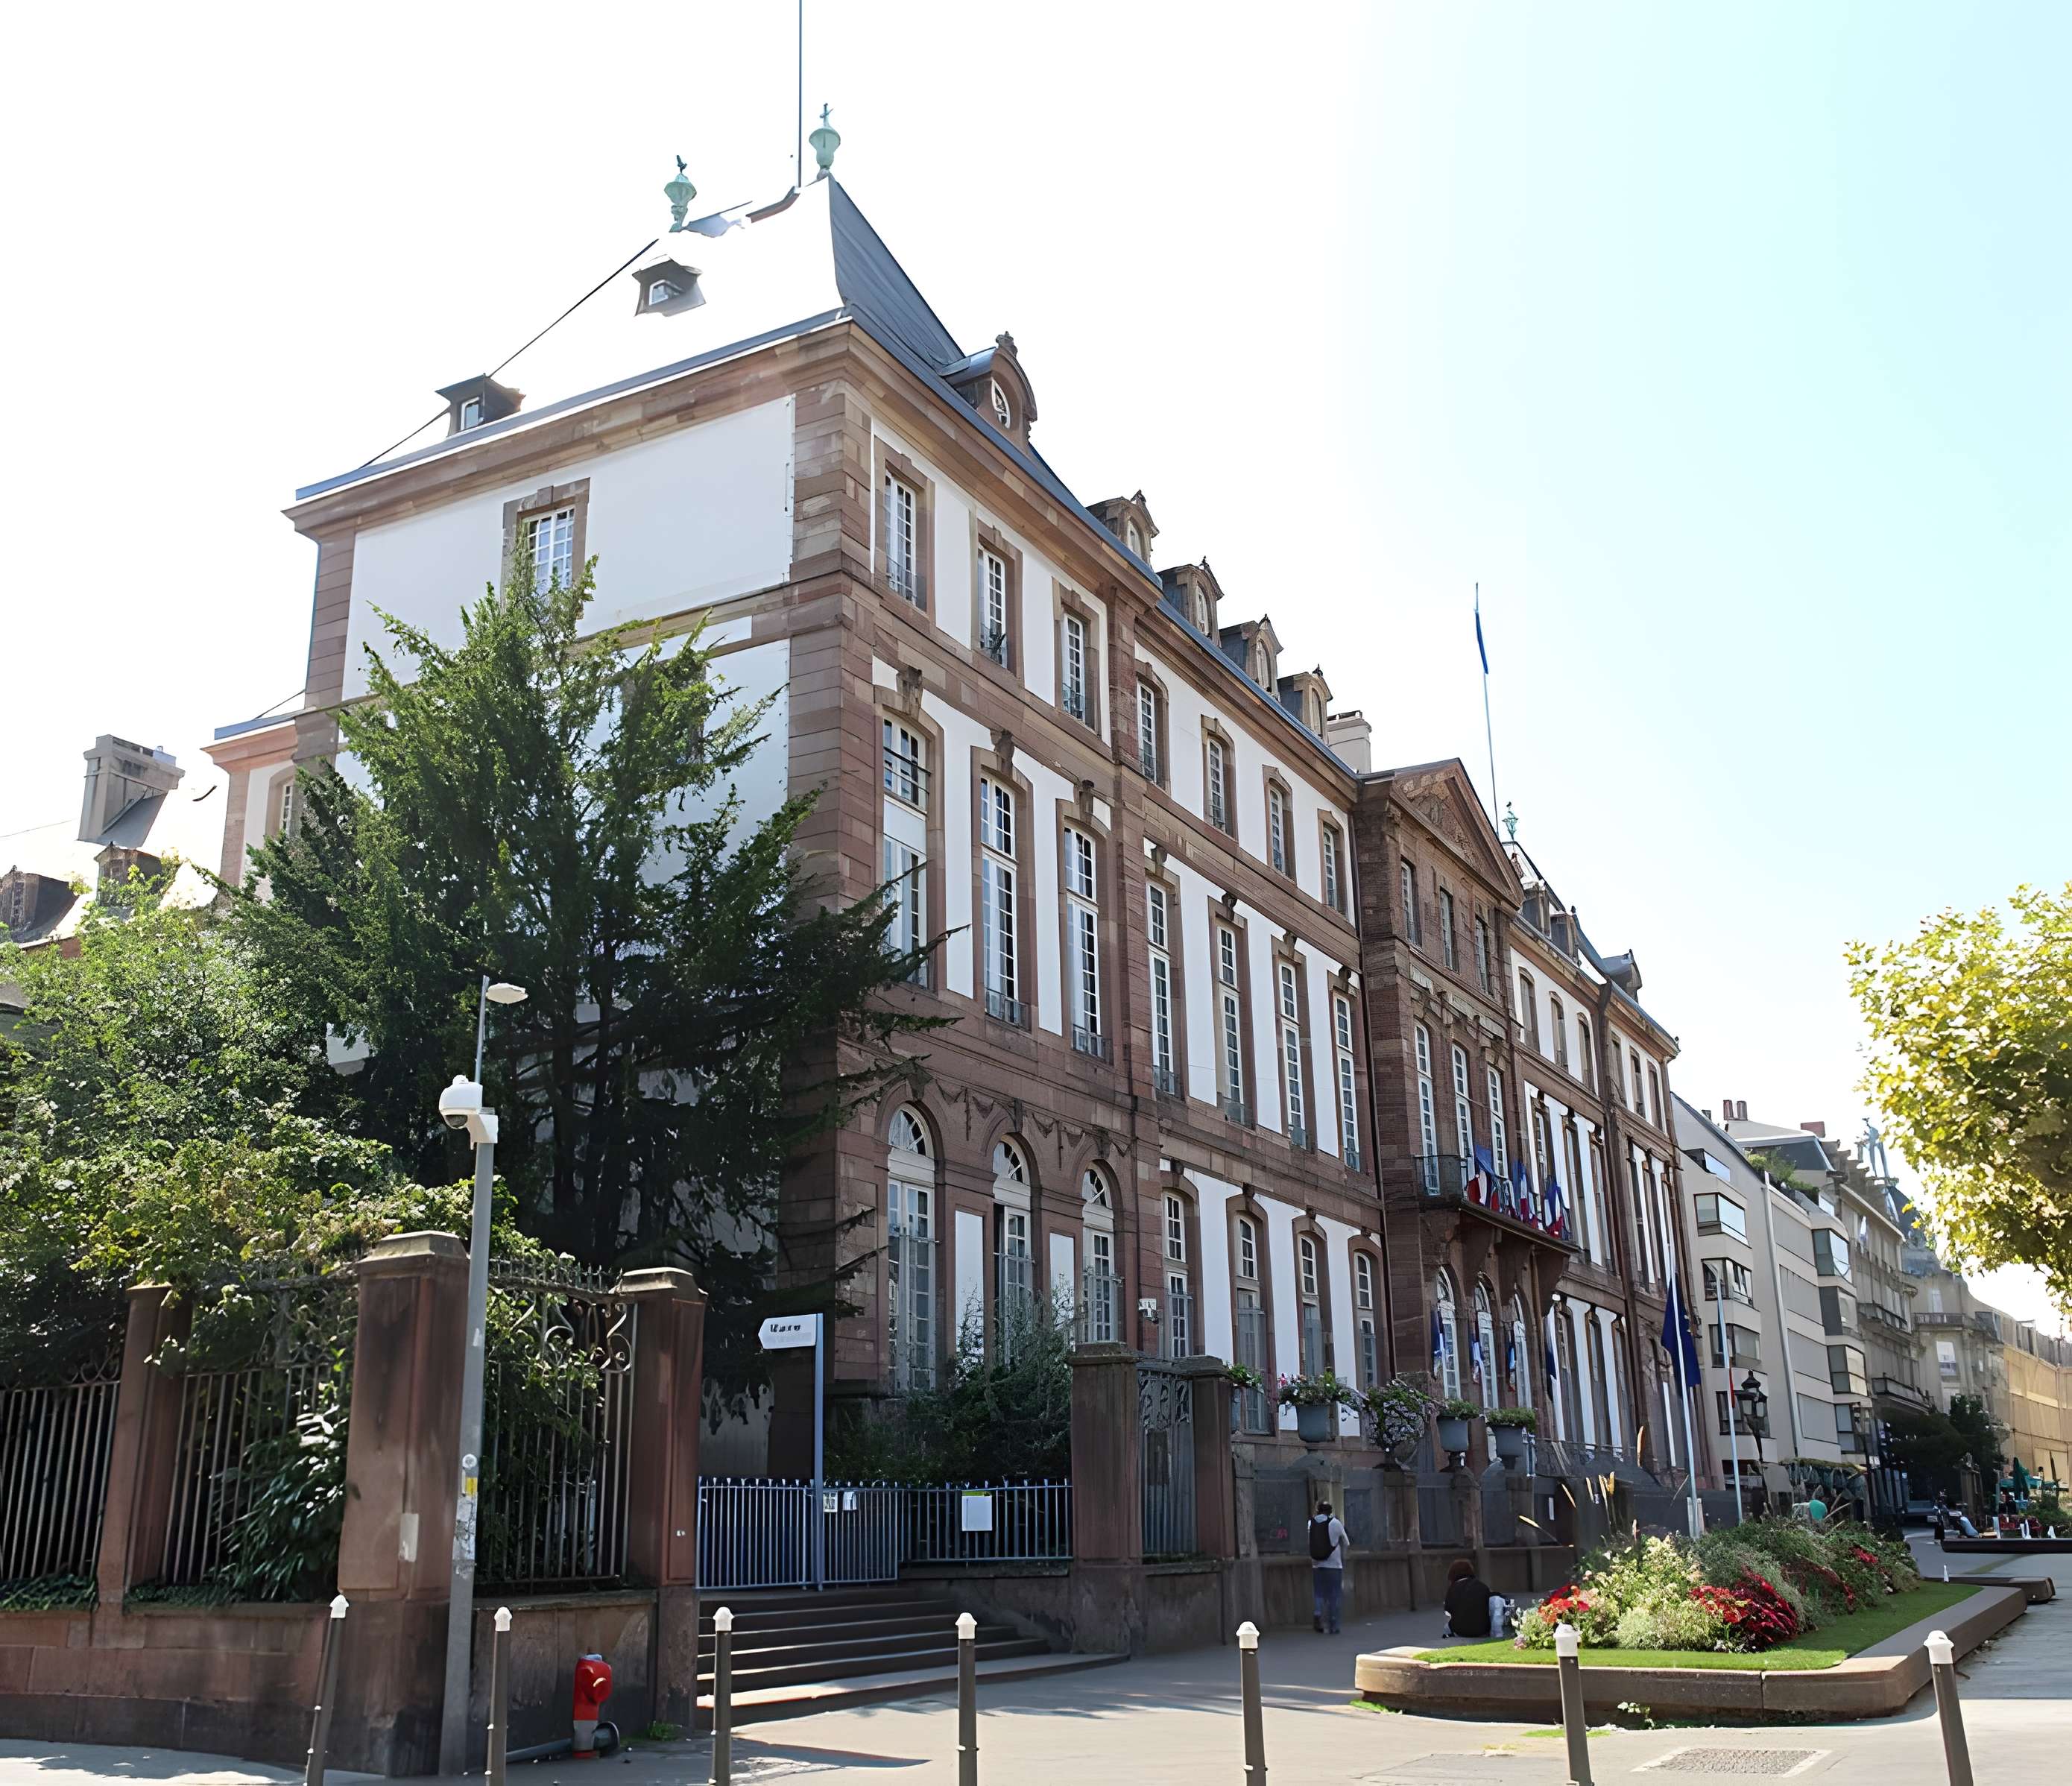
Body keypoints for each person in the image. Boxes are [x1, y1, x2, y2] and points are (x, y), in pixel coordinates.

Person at [1308, 1500, 1348, 1635]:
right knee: (1334, 1596)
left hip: (1317, 1565)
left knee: (1319, 1593)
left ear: (1318, 1510)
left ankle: (1318, 1613)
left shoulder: (1311, 1523)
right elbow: (1346, 1542)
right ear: (1330, 1511)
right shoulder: (1335, 1523)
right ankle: (1333, 1625)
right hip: (1335, 1566)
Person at [1442, 1557, 1494, 1638]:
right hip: (1482, 1630)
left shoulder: (1453, 1589)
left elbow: (1448, 1609)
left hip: (1460, 1631)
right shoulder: (1482, 1586)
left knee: (1446, 1625)